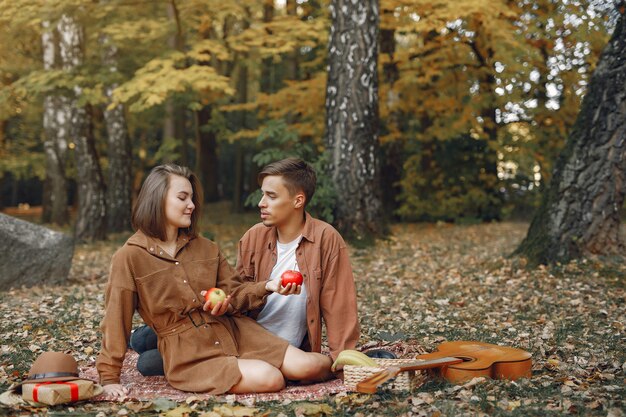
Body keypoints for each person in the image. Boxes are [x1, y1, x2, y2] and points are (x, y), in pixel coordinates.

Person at [96, 164, 332, 398]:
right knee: (271, 378)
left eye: (192, 198)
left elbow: (235, 292)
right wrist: (108, 378)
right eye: (182, 198)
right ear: (157, 199)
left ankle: (353, 363)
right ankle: (154, 353)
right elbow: (116, 319)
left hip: (234, 331)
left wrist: (267, 286)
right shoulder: (129, 257)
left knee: (310, 367)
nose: (192, 205)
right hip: (189, 352)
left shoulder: (206, 247)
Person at [127, 158, 361, 375]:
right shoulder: (254, 237)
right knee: (146, 343)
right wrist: (225, 302)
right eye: (262, 195)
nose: (261, 203)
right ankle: (152, 335)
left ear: (298, 200)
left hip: (273, 343)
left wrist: (344, 359)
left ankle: (158, 338)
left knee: (147, 363)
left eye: (271, 196)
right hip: (235, 330)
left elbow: (339, 303)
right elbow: (236, 293)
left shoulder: (325, 239)